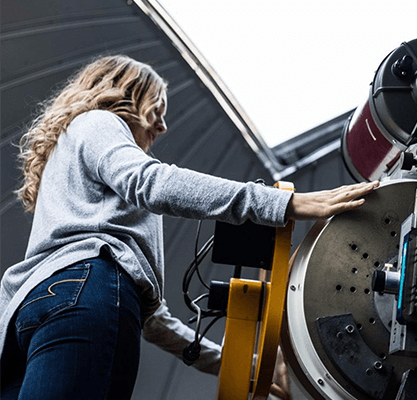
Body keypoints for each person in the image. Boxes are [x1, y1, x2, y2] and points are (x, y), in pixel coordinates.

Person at [0, 55, 378, 399]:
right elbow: (151, 182)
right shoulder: (100, 122)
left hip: (24, 316)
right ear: (126, 94)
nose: (162, 126)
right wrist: (288, 204)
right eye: (156, 109)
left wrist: (236, 365)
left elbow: (153, 322)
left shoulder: (67, 167)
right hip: (87, 288)